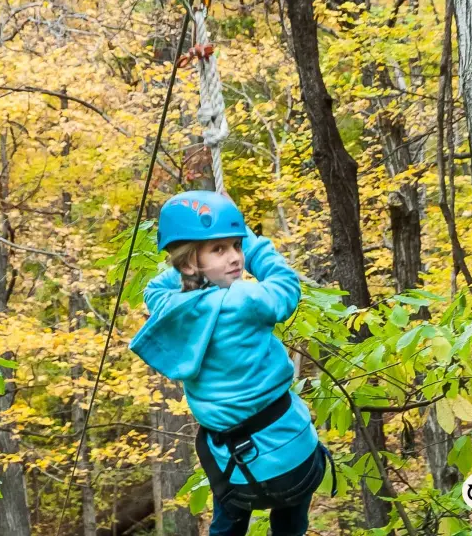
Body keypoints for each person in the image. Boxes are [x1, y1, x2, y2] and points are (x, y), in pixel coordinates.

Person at [129, 190, 335, 536]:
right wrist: (253, 243)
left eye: (237, 246)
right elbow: (285, 287)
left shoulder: (170, 307)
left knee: (226, 525)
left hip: (233, 469)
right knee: (290, 523)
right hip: (292, 457)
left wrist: (190, 273)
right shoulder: (244, 298)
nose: (235, 258)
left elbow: (154, 287)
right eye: (219, 249)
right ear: (191, 262)